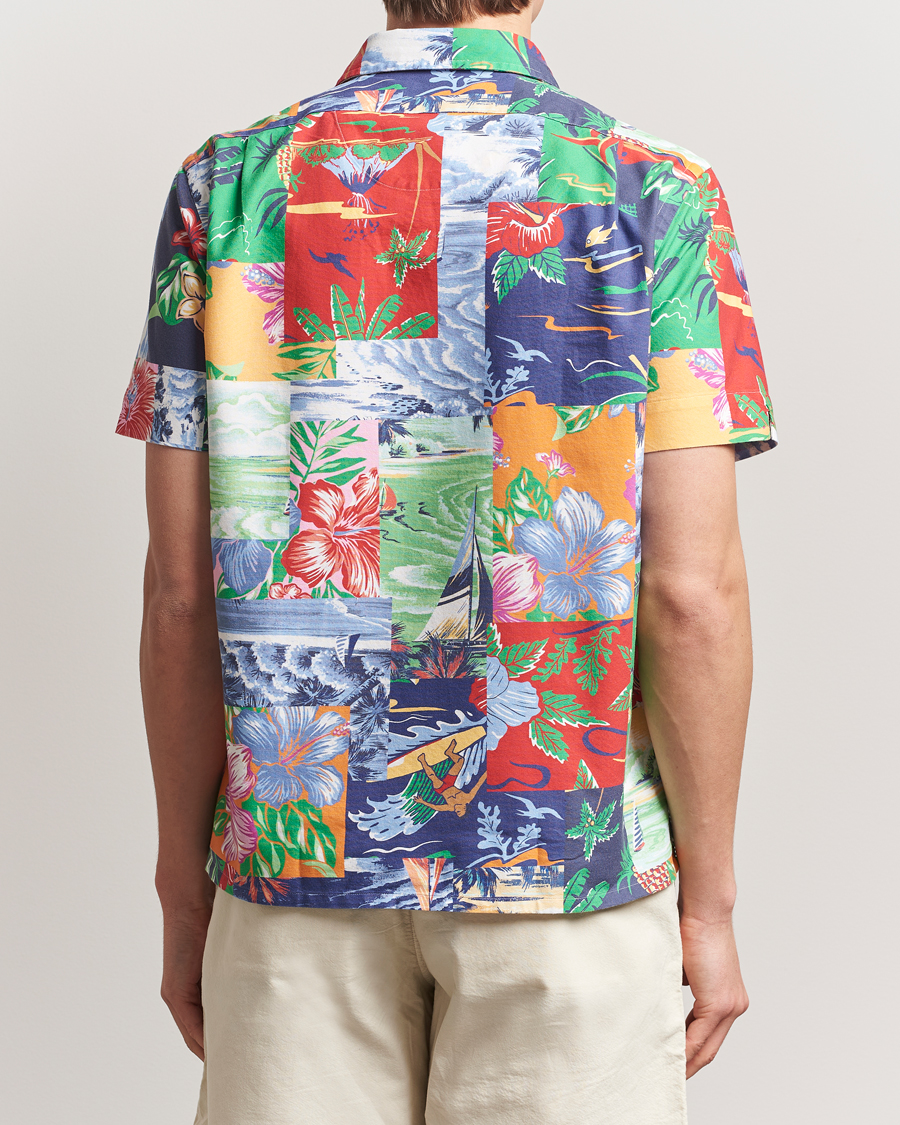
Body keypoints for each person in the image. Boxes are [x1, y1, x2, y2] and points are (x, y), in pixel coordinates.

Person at [115, 1, 776, 1121]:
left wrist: (186, 885)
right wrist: (707, 906)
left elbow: (180, 595)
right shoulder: (654, 189)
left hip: (296, 857)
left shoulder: (226, 186)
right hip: (565, 851)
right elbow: (690, 594)